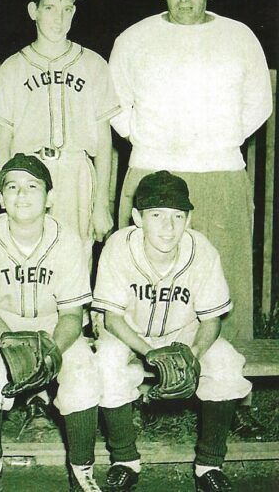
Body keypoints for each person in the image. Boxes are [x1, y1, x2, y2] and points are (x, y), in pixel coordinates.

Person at [109, 0, 272, 341]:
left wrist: (219, 139)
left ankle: (230, 376)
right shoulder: (135, 38)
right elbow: (114, 103)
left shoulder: (239, 37)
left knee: (223, 278)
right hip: (152, 169)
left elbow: (259, 103)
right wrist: (150, 138)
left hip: (221, 172)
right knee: (141, 279)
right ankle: (133, 375)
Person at [93, 171, 252, 492]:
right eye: (157, 215)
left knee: (224, 361)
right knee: (106, 360)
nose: (168, 227)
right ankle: (124, 460)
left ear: (189, 218)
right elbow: (111, 319)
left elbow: (211, 320)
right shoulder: (118, 246)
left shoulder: (202, 250)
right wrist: (149, 353)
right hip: (130, 333)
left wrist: (192, 356)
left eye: (177, 216)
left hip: (183, 334)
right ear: (138, 217)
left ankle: (209, 463)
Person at [0, 154, 102, 492]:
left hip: (55, 326)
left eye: (32, 187)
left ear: (50, 198)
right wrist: (11, 341)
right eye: (12, 187)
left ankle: (82, 468)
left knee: (81, 370)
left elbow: (72, 314)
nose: (21, 195)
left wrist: (51, 348)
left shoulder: (67, 239)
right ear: (0, 198)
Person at [0, 0, 118, 259]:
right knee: (26, 259)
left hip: (76, 171)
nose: (59, 18)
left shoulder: (93, 64)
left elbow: (104, 143)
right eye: (50, 8)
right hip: (28, 173)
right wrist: (4, 197)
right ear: (33, 11)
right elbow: (2, 144)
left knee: (76, 262)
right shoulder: (13, 67)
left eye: (67, 9)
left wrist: (101, 205)